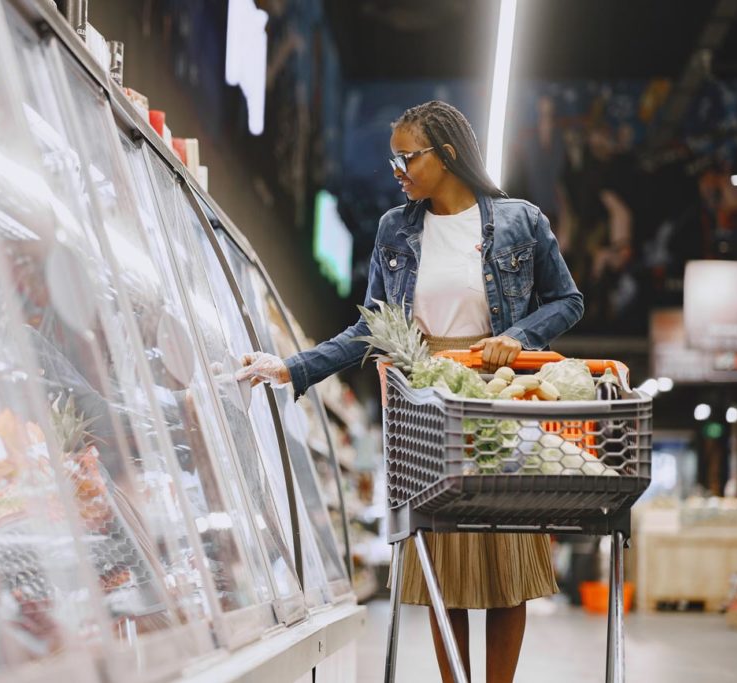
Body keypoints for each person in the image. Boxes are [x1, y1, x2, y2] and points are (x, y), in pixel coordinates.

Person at [237, 100, 583, 683]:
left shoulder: (521, 221)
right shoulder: (395, 230)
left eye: (407, 155)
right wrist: (294, 368)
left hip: (501, 399)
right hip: (428, 406)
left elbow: (568, 300)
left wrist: (516, 339)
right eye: (392, 156)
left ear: (446, 155)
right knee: (444, 563)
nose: (395, 167)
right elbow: (371, 325)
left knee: (508, 566)